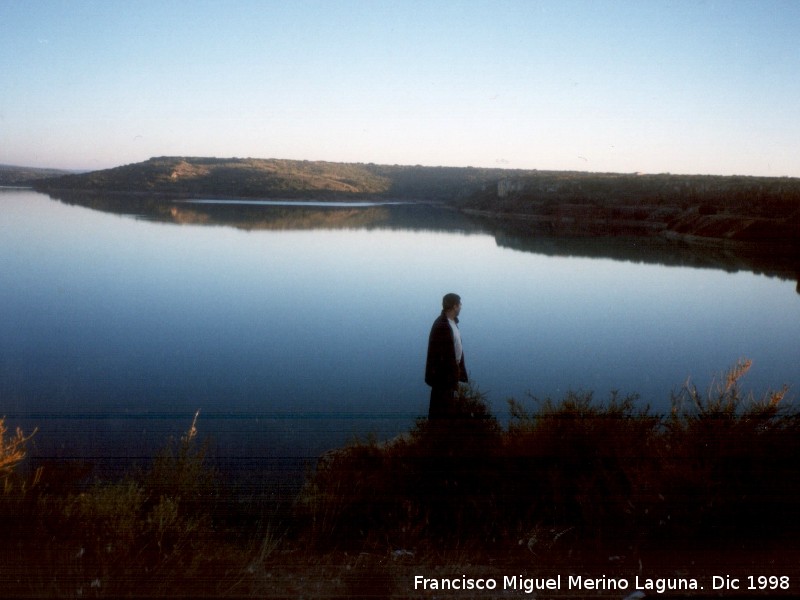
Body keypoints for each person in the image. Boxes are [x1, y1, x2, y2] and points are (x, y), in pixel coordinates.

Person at [425, 293, 468, 419]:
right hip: (443, 378)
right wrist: (449, 375)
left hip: (450, 375)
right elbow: (438, 355)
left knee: (447, 410)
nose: (461, 307)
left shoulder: (451, 323)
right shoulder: (441, 325)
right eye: (459, 304)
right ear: (454, 306)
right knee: (440, 411)